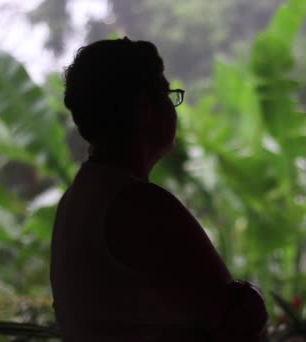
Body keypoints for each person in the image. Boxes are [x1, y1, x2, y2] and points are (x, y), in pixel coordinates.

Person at [49, 37, 268, 341]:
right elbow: (234, 314)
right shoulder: (138, 205)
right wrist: (252, 298)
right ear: (145, 107)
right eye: (168, 94)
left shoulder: (77, 200)